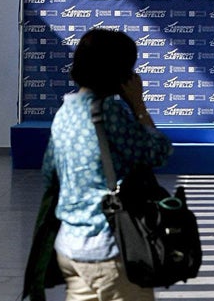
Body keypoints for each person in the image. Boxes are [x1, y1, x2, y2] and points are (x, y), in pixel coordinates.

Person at [38, 29, 173, 301]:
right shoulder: (111, 114)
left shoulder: (65, 112)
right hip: (109, 250)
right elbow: (158, 151)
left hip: (70, 250)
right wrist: (139, 106)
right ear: (119, 73)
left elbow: (49, 174)